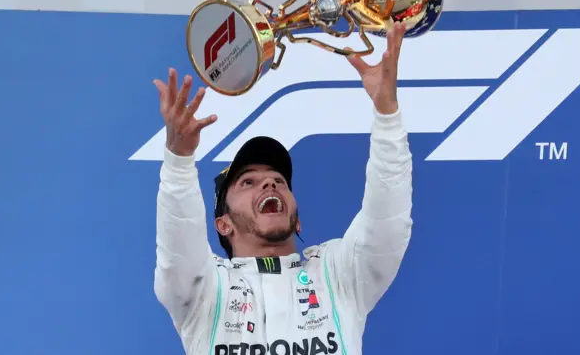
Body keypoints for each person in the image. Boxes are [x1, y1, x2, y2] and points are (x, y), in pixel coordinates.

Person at [153, 21, 414, 355]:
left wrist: (387, 115)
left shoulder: (338, 275)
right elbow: (178, 245)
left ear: (298, 219)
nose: (269, 183)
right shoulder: (206, 289)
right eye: (248, 182)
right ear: (224, 224)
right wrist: (178, 161)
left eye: (279, 180)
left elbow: (387, 221)